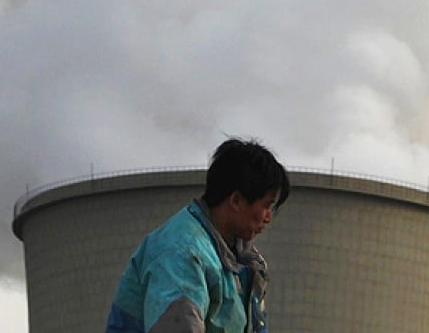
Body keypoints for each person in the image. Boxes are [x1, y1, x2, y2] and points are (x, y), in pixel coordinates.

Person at [105, 138, 290, 333]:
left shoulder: (241, 262)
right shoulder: (182, 253)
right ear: (236, 200)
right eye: (267, 205)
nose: (268, 217)